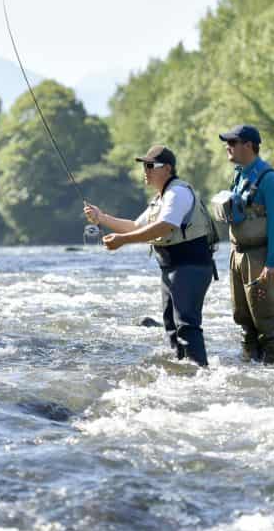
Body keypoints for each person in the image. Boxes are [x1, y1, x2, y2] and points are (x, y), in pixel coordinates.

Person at [83, 145, 218, 367]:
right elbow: (135, 226)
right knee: (171, 326)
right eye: (143, 166)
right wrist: (101, 217)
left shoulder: (177, 192)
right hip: (172, 268)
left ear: (167, 168)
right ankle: (185, 374)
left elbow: (164, 227)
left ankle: (200, 373)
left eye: (149, 166)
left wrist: (123, 241)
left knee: (186, 325)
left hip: (189, 267)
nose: (145, 170)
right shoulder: (161, 198)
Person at [212, 125, 274, 364]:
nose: (228, 146)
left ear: (249, 146)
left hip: (262, 256)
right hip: (238, 256)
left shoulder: (270, 180)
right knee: (243, 318)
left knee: (266, 319)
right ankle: (251, 368)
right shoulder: (239, 174)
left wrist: (272, 263)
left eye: (233, 142)